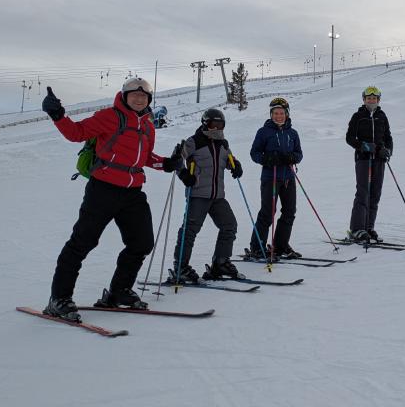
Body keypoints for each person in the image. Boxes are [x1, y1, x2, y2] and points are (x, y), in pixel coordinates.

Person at [40, 78, 180, 322]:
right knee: (82, 242)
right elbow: (77, 133)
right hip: (103, 189)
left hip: (133, 192)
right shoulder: (109, 116)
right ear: (124, 96)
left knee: (142, 243)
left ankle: (119, 292)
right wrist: (57, 115)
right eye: (134, 94)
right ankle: (59, 299)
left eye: (144, 96)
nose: (139, 99)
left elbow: (145, 157)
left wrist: (166, 163)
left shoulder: (148, 126)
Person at [167, 108, 244, 284]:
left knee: (229, 225)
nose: (216, 128)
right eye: (212, 124)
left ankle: (220, 262)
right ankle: (181, 268)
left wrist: (236, 165)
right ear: (205, 124)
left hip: (217, 196)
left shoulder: (223, 144)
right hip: (198, 195)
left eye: (220, 124)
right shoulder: (194, 141)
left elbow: (229, 160)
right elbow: (176, 159)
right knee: (189, 230)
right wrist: (184, 174)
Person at [247, 97, 304, 259]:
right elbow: (254, 153)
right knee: (267, 212)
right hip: (270, 177)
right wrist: (267, 159)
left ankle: (280, 245)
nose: (279, 116)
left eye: (282, 113)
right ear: (271, 114)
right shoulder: (263, 132)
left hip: (288, 178)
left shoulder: (292, 133)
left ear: (287, 114)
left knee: (289, 211)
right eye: (275, 113)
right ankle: (257, 247)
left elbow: (299, 154)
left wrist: (292, 157)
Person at [345, 86, 393, 243]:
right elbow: (350, 138)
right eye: (368, 98)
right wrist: (364, 146)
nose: (371, 100)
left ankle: (368, 227)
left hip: (379, 159)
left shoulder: (382, 116)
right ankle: (357, 229)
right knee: (363, 192)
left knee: (375, 193)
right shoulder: (358, 116)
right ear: (364, 99)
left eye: (374, 98)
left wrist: (387, 150)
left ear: (378, 100)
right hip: (364, 159)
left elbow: (388, 137)